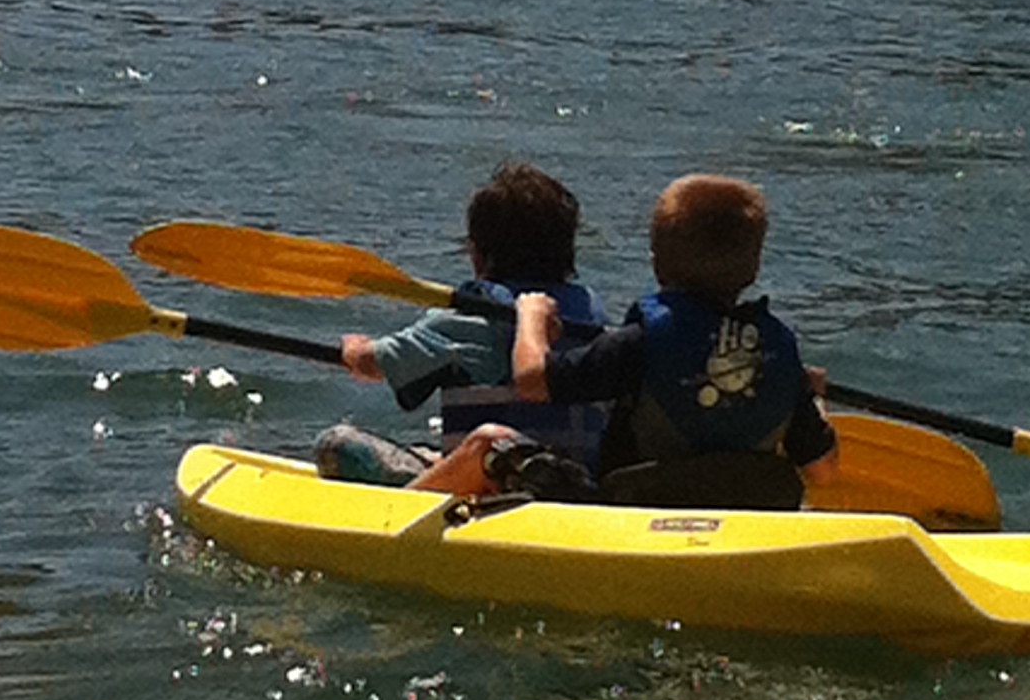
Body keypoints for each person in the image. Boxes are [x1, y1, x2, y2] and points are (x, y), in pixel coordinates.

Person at [426, 173, 839, 506]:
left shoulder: (641, 342)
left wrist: (530, 316)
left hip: (632, 519)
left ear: (657, 265)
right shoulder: (779, 352)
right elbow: (823, 470)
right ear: (753, 270)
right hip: (741, 519)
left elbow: (532, 381)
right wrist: (812, 396)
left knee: (490, 443)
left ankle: (394, 523)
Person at [315, 163, 608, 489]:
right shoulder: (589, 316)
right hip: (577, 485)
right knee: (427, 454)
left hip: (491, 489)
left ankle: (409, 497)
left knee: (335, 445)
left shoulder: (472, 320)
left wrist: (354, 350)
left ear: (478, 253)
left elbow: (373, 362)